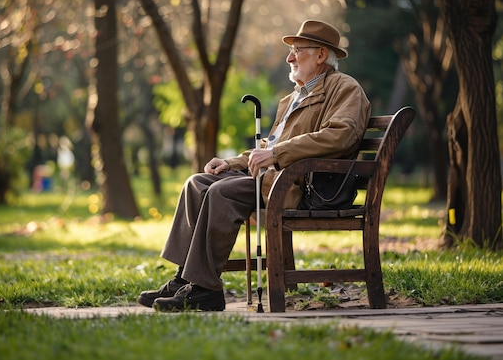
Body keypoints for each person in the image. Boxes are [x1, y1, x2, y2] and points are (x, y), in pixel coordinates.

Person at [138, 20, 371, 312]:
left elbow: (342, 134)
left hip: (300, 186)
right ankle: (184, 278)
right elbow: (268, 147)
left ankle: (205, 289)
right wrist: (231, 162)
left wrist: (277, 154)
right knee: (197, 183)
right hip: (273, 179)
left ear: (321, 55)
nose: (289, 58)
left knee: (222, 193)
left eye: (297, 50)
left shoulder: (344, 88)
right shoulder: (292, 99)